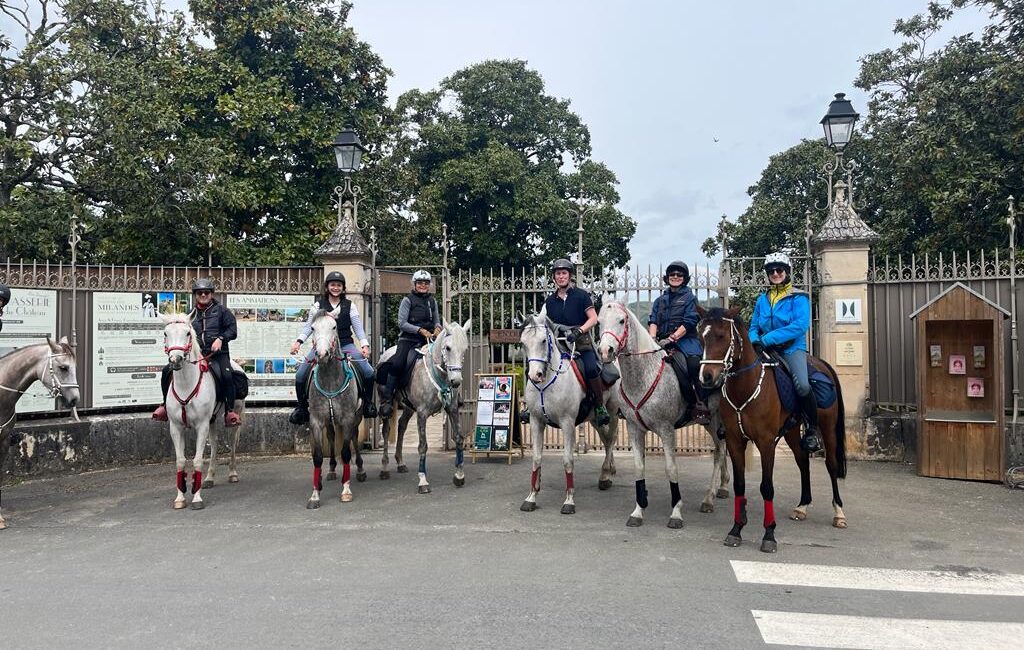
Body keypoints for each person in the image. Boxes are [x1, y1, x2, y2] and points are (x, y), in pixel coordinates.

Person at [748, 252, 820, 452]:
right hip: (765, 349)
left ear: (787, 272)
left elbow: (799, 326)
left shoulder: (799, 298)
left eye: (779, 270)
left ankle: (812, 430)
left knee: (803, 386)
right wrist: (755, 341)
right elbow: (753, 326)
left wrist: (767, 339)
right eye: (771, 271)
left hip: (791, 349)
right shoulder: (763, 299)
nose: (775, 273)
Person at [288, 271, 376, 424]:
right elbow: (309, 327)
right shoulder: (317, 306)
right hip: (320, 345)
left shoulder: (350, 306)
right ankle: (301, 409)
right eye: (333, 284)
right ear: (327, 287)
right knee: (300, 375)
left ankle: (368, 404)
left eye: (339, 285)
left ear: (343, 288)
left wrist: (364, 345)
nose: (336, 287)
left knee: (368, 371)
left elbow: (358, 328)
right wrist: (298, 342)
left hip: (346, 345)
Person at [152, 279, 241, 427]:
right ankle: (164, 406)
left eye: (207, 292)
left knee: (227, 375)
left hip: (218, 355)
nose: (203, 295)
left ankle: (229, 411)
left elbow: (232, 331)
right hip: (196, 356)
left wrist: (221, 338)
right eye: (200, 293)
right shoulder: (189, 315)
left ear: (212, 294)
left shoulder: (223, 311)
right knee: (166, 371)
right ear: (195, 295)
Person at [544, 258, 609, 425]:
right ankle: (533, 406)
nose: (561, 276)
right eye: (558, 273)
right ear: (554, 277)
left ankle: (600, 406)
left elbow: (593, 318)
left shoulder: (581, 295)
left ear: (570, 275)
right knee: (538, 365)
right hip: (558, 344)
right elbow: (546, 323)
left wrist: (579, 331)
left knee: (591, 367)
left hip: (580, 342)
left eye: (564, 273)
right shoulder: (550, 301)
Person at [648, 260, 710, 425]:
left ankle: (699, 404)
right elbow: (653, 320)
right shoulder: (659, 300)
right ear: (667, 278)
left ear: (685, 278)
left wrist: (672, 338)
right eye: (672, 274)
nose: (675, 277)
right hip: (661, 342)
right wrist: (652, 340)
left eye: (679, 274)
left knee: (693, 365)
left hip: (686, 341)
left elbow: (690, 321)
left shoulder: (690, 298)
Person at [378, 269, 441, 417]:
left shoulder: (432, 301)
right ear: (414, 284)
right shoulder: (407, 300)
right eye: (420, 283)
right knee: (398, 363)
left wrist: (438, 328)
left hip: (429, 339)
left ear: (429, 285)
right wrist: (419, 330)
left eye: (426, 283)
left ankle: (453, 396)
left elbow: (437, 319)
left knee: (446, 358)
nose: (423, 285)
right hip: (408, 339)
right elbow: (402, 323)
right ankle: (387, 400)